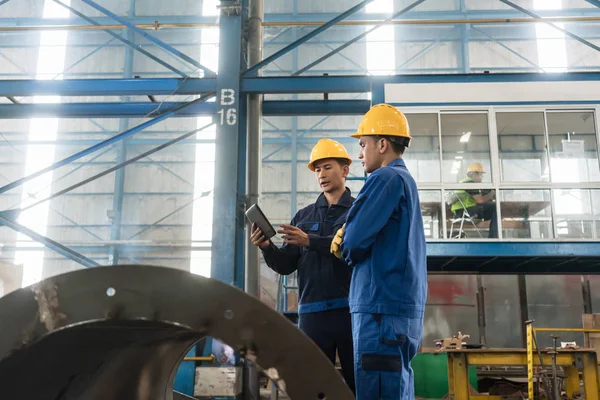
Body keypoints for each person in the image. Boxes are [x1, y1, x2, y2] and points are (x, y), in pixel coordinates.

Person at [330, 104, 427, 400]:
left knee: (379, 390)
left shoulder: (385, 179)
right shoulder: (405, 182)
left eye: (362, 145)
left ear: (382, 144)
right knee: (397, 386)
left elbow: (353, 242)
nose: (359, 154)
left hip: (379, 310)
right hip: (396, 309)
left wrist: (343, 240)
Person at [250, 138, 356, 393]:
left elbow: (352, 249)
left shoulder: (357, 211)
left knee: (357, 384)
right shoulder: (304, 216)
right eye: (317, 169)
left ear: (344, 170)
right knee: (313, 387)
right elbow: (286, 265)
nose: (321, 174)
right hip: (312, 314)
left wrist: (310, 240)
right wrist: (267, 247)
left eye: (327, 167)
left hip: (350, 312)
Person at [450, 162, 497, 238]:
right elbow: (480, 200)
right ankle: (494, 237)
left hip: (460, 212)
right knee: (495, 208)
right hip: (466, 212)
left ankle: (494, 235)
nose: (482, 177)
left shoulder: (464, 182)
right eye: (481, 175)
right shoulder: (470, 183)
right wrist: (492, 193)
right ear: (475, 174)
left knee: (491, 209)